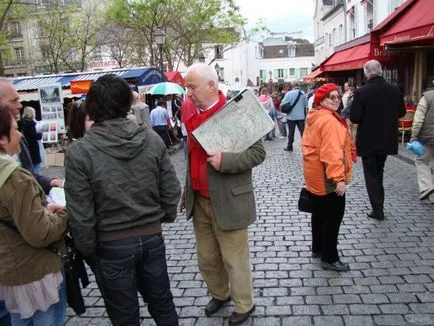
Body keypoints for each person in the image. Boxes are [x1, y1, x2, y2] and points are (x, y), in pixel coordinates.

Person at [65, 74, 180, 326]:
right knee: (162, 304)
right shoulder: (151, 139)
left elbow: (81, 214)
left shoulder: (79, 152)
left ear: (93, 107)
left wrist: (90, 252)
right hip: (151, 238)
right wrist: (163, 217)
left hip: (110, 245)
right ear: (127, 103)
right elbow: (171, 190)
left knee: (125, 316)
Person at [180, 63, 265, 326]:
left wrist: (226, 160)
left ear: (211, 86)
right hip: (200, 200)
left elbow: (258, 153)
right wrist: (187, 191)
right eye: (187, 87)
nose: (188, 93)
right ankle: (220, 293)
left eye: (192, 87)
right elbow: (191, 159)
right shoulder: (192, 115)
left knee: (234, 259)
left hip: (229, 200)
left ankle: (244, 304)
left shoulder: (236, 113)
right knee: (207, 257)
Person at [0, 106, 68, 325]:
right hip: (34, 273)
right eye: (14, 129)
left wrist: (41, 211)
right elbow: (40, 233)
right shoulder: (15, 178)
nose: (20, 134)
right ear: (2, 139)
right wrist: (66, 214)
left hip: (10, 273)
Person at [301, 83, 354, 272]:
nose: (337, 100)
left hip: (315, 174)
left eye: (338, 97)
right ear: (320, 100)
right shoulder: (330, 121)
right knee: (333, 217)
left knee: (319, 213)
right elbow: (332, 153)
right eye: (331, 97)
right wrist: (339, 179)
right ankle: (330, 257)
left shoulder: (315, 116)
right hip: (326, 178)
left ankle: (318, 248)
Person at [350, 60, 406, 220]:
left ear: (367, 73)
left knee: (371, 174)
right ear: (380, 71)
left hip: (368, 139)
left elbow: (355, 117)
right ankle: (379, 204)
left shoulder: (362, 92)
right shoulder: (394, 89)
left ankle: (377, 208)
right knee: (379, 171)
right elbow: (401, 112)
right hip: (387, 138)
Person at [0, 79, 63, 195]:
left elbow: (29, 175)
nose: (20, 105)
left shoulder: (19, 138)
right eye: (14, 101)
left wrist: (50, 182)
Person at [410, 86, 434, 203]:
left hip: (429, 138)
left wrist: (413, 135)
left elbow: (418, 119)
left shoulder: (427, 97)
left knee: (421, 160)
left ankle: (427, 187)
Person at [281, 81, 308, 151]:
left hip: (291, 116)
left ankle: (290, 146)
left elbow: (283, 103)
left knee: (291, 132)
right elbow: (306, 104)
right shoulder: (303, 94)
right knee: (302, 132)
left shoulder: (289, 93)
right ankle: (306, 146)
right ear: (299, 86)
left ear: (292, 86)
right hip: (301, 117)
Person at [21, 106, 43, 174]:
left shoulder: (24, 122)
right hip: (33, 148)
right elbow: (35, 135)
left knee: (30, 168)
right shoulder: (31, 123)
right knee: (36, 168)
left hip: (28, 147)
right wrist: (40, 133)